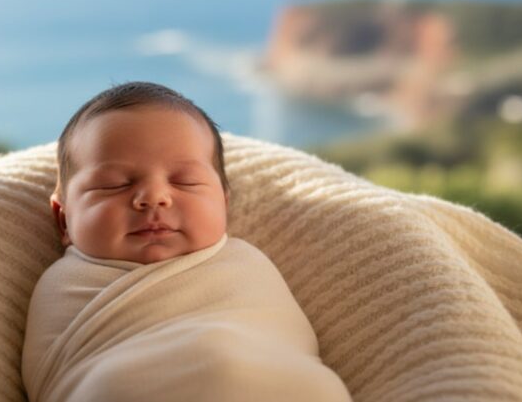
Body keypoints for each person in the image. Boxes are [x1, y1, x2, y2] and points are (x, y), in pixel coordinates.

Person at [22, 82, 350, 402]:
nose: (154, 197)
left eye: (185, 181)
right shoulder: (63, 284)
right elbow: (57, 379)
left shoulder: (247, 264)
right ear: (64, 219)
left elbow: (288, 344)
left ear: (224, 204)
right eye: (112, 185)